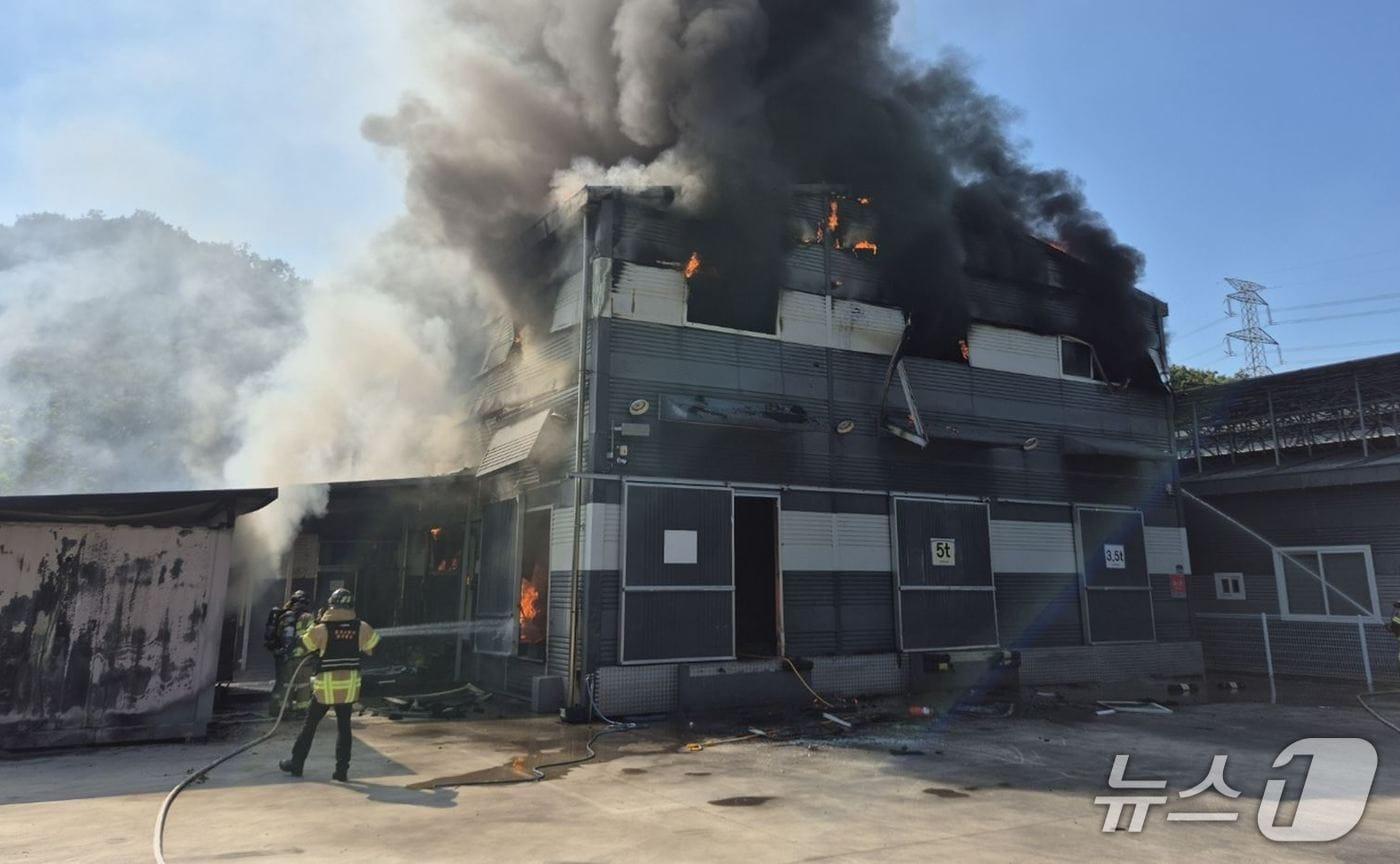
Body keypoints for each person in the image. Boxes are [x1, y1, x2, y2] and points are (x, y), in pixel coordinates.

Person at [279, 587, 380, 782]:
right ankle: (341, 772)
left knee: (310, 726)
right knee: (344, 728)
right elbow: (372, 649)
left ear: (331, 605)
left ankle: (296, 763)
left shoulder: (321, 629)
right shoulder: (361, 627)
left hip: (325, 690)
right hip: (348, 689)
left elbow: (303, 647)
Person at [269, 591, 313, 716]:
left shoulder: (284, 616)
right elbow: (313, 636)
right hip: (302, 658)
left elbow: (278, 635)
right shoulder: (308, 617)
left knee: (286, 684)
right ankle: (301, 710)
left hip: (285, 657)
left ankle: (284, 709)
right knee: (303, 685)